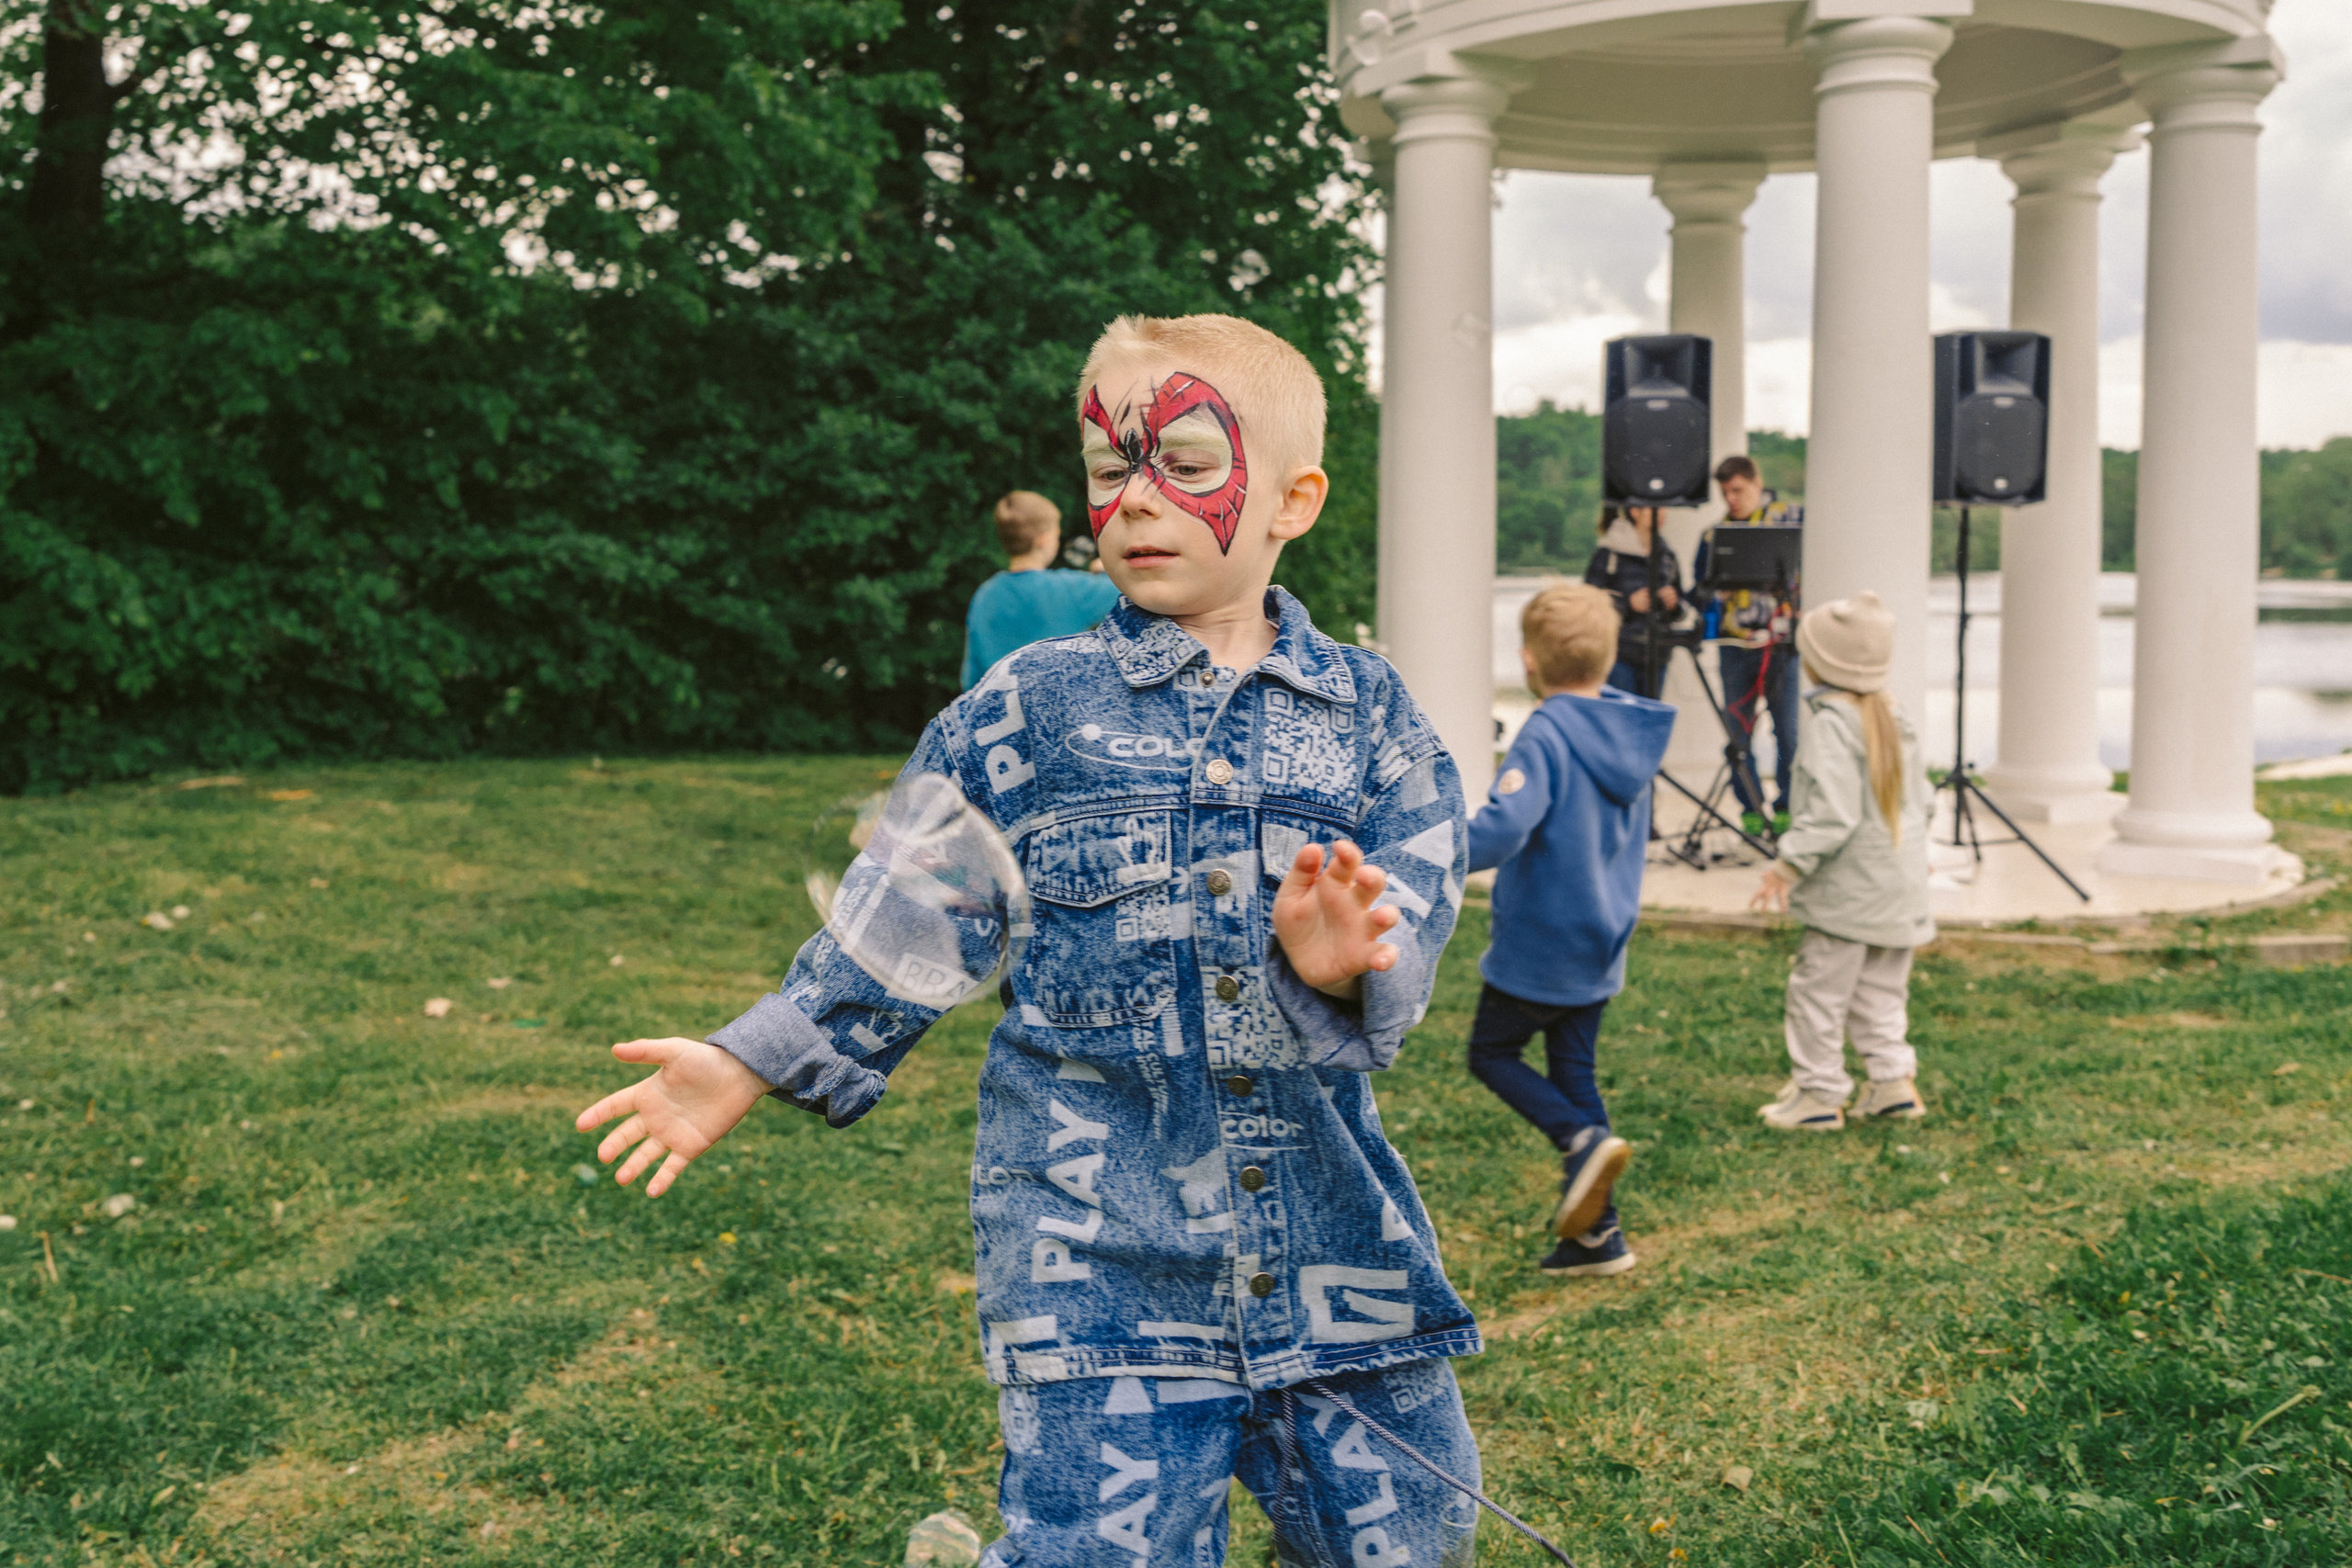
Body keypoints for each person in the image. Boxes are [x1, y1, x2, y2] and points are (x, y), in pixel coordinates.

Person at [577, 314, 1490, 1567]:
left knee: (1412, 1539)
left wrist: (1343, 963)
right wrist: (751, 1055)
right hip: (1094, 1268)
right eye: (1111, 468)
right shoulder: (1021, 710)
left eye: (1183, 460)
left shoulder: (1372, 718)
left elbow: (1421, 893)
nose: (1136, 500)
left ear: (1295, 500)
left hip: (1337, 1266)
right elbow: (903, 918)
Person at [1466, 582, 1676, 1276]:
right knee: (1573, 1069)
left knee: (1491, 1054)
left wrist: (1435, 848)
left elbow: (1505, 826)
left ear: (1529, 662)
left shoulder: (1546, 730)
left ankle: (1576, 1136)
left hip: (1543, 940)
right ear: (1610, 659)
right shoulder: (1627, 730)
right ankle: (1597, 1235)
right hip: (1603, 934)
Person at [1747, 591, 1934, 1132]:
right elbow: (1922, 800)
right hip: (1897, 885)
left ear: (1818, 661)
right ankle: (1892, 1084)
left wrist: (1788, 864)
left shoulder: (1831, 722)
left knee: (1818, 994)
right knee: (1880, 991)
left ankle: (1818, 1095)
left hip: (1850, 891)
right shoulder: (1894, 715)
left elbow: (1832, 815)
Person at [1691, 454, 1801, 836]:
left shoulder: (1791, 519)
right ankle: (1751, 810)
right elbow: (1697, 592)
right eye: (1725, 493)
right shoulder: (1713, 535)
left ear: (1757, 482)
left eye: (1738, 490)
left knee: (1788, 730)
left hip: (1782, 647)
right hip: (1734, 647)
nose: (1732, 499)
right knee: (1738, 735)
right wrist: (1711, 595)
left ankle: (1788, 808)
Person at [959, 490, 1121, 689]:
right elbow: (1122, 589)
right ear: (1043, 540)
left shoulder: (985, 595)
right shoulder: (1068, 589)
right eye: (1056, 534)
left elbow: (971, 677)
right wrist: (1107, 571)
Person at [1581, 504, 1683, 698]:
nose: (1662, 513)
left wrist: (1673, 604)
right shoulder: (1609, 553)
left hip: (1657, 654)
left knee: (1650, 720)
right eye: (1655, 508)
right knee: (1621, 720)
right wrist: (1629, 604)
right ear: (1635, 511)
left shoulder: (1667, 556)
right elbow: (1589, 603)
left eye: (1664, 508)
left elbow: (1684, 604)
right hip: (1620, 655)